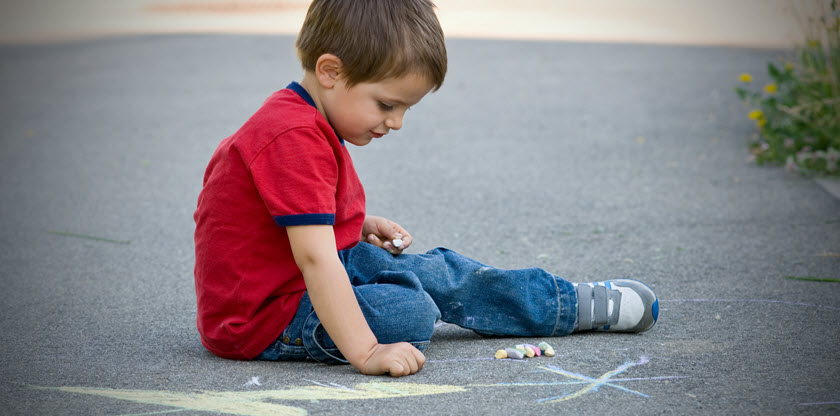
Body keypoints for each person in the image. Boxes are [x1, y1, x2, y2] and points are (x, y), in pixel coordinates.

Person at [193, 0, 658, 378]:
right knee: (409, 313)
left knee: (441, 272)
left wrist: (356, 225)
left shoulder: (302, 122)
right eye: (387, 104)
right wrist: (368, 352)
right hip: (263, 319)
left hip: (294, 282)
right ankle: (434, 299)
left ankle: (564, 304)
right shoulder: (291, 137)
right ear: (331, 71)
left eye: (404, 109)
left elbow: (288, 227)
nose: (395, 122)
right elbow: (314, 256)